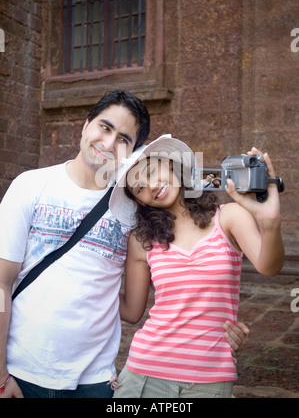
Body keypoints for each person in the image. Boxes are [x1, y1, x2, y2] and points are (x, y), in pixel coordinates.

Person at [0, 93, 248, 399]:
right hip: (22, 372)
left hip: (95, 380)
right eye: (104, 128)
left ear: (132, 151)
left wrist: (217, 326)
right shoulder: (30, 185)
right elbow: (1, 285)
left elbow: (175, 272)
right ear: (86, 124)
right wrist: (0, 375)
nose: (107, 143)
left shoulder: (134, 209)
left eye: (123, 139)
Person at [109, 135, 284, 398]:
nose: (151, 186)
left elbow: (269, 267)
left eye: (152, 171)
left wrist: (269, 221)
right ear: (139, 201)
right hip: (144, 374)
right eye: (138, 188)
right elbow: (132, 312)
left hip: (210, 379)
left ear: (169, 164)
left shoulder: (228, 217)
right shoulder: (142, 240)